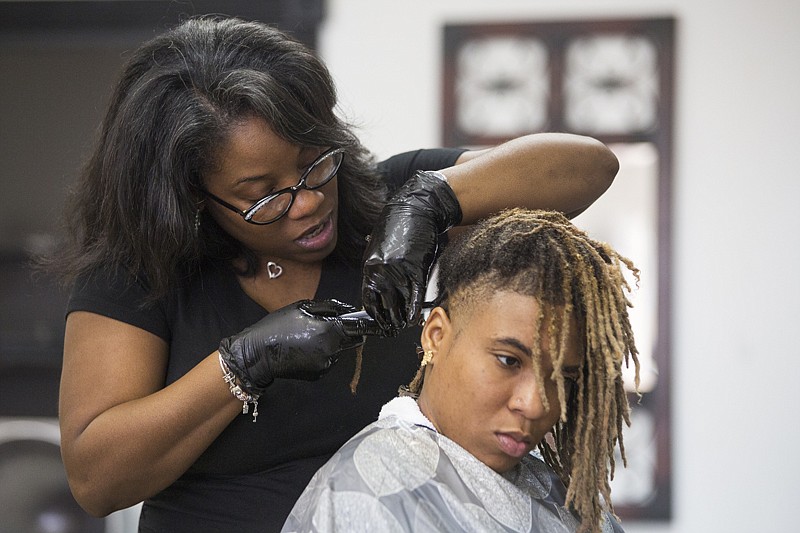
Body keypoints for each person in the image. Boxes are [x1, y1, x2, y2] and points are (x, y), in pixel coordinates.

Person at [51, 14, 620, 532]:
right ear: (194, 199)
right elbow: (97, 479)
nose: (306, 203)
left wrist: (431, 200)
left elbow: (589, 165)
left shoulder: (385, 200)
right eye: (260, 195)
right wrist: (242, 364)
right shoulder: (141, 269)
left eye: (314, 164)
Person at [282, 208, 640, 533]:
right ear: (436, 335)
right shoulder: (364, 492)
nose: (534, 405)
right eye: (508, 361)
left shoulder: (574, 503)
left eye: (563, 378)